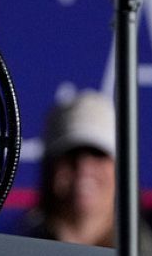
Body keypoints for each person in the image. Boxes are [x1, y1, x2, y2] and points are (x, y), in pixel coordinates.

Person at [18, 91, 118, 247]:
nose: (83, 167)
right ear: (48, 167)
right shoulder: (12, 253)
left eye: (98, 153)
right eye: (70, 154)